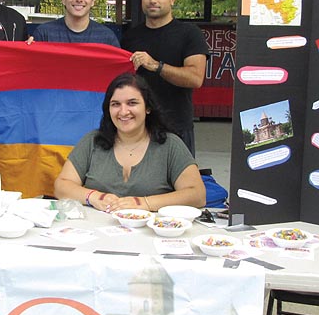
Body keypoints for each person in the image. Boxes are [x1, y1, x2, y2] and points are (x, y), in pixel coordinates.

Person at [54, 72, 206, 213]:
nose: (123, 111)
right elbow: (61, 186)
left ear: (148, 107)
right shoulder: (92, 141)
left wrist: (143, 203)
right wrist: (94, 197)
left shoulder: (170, 145)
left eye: (132, 103)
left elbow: (197, 195)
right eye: (115, 104)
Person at [121, 0, 208, 155]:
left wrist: (156, 66)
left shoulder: (189, 34)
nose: (153, 0)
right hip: (138, 127)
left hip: (176, 127)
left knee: (180, 183)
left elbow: (195, 78)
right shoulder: (130, 37)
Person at [31, 0, 119, 46]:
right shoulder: (44, 34)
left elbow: (120, 65)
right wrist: (28, 50)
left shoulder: (107, 38)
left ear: (93, 1)